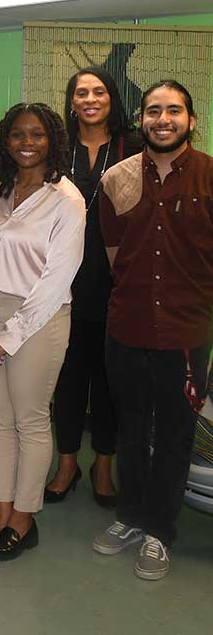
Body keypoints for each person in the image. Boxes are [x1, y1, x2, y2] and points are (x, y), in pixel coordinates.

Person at [92, 80, 213, 581]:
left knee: (174, 436)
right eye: (153, 111)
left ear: (190, 119)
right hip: (127, 327)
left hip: (186, 333)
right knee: (131, 430)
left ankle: (160, 531)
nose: (163, 120)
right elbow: (116, 258)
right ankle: (130, 517)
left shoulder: (209, 176)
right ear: (141, 118)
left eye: (174, 111)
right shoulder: (117, 179)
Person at [0, 103, 85, 561]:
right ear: (5, 141)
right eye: (17, 135)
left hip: (38, 319)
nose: (27, 143)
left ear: (52, 139)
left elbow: (56, 281)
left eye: (37, 134)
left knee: (30, 421)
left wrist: (5, 337)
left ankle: (24, 520)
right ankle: (1, 512)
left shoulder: (67, 200)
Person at [45, 68, 143, 507]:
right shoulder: (54, 148)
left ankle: (104, 464)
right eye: (81, 92)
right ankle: (66, 462)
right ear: (71, 101)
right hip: (60, 285)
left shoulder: (134, 147)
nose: (89, 99)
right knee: (65, 379)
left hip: (117, 286)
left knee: (109, 381)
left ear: (112, 99)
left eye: (98, 91)